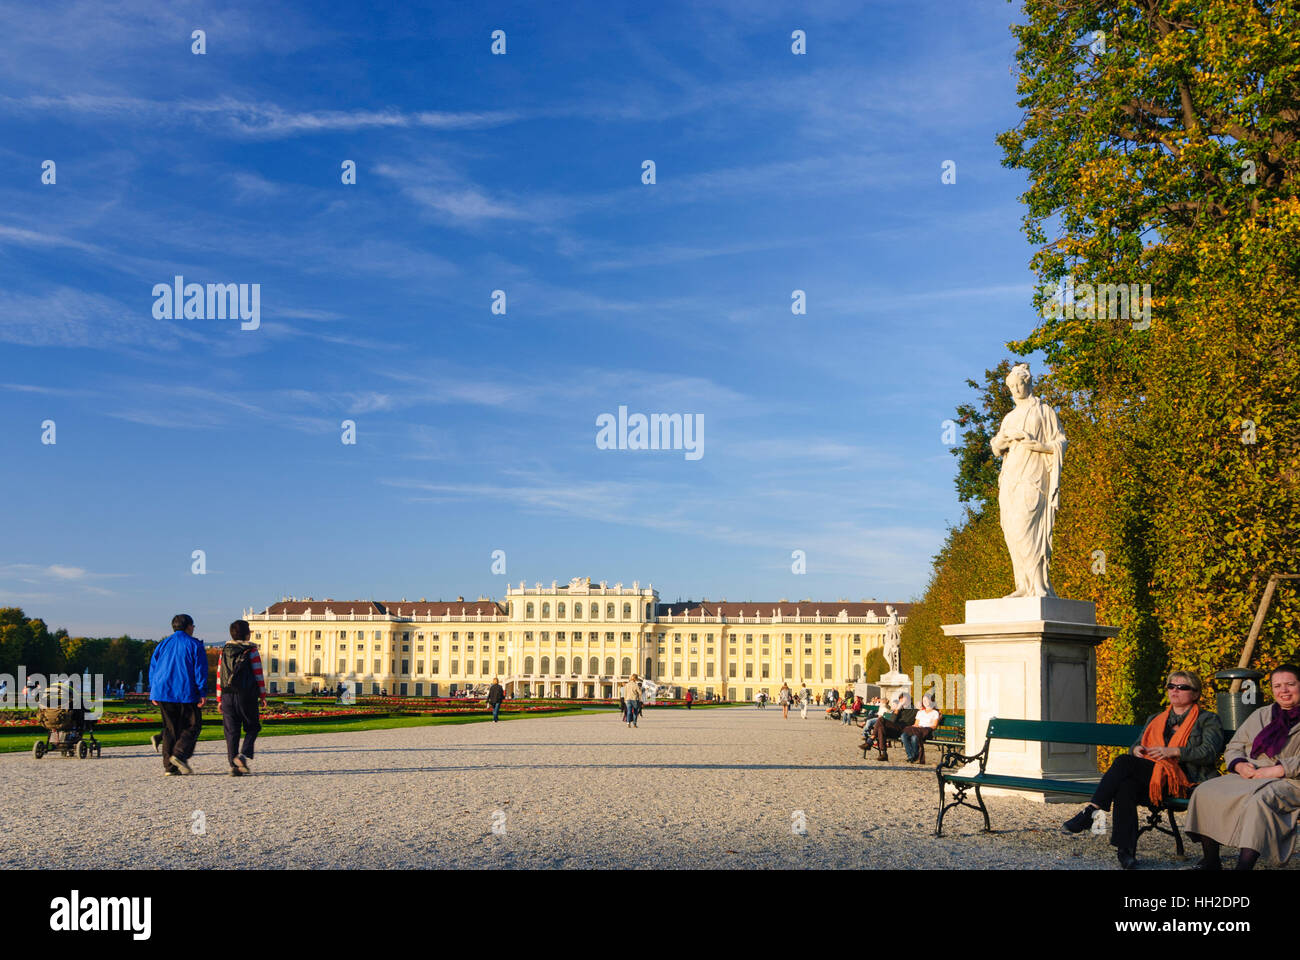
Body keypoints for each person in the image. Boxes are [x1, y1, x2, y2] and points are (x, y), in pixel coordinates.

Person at [1061, 670, 1223, 870]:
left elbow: (1209, 752)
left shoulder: (1208, 719)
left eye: (1182, 687)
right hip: (1155, 780)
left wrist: (1174, 751)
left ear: (1196, 693)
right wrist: (1137, 750)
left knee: (1123, 767)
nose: (1175, 691)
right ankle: (1126, 854)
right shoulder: (1156, 719)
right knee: (1126, 785)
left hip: (1186, 781)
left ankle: (1093, 810)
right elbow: (1137, 745)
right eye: (1171, 686)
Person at [1186, 664, 1300, 870]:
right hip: (1252, 773)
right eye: (1277, 686)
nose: (1283, 690)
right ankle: (1211, 860)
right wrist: (1239, 765)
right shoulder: (1261, 714)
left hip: (1291, 780)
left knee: (1259, 801)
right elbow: (1235, 746)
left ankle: (1244, 866)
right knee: (1206, 790)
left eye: (1290, 684)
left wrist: (1278, 770)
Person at [149, 614, 208, 776]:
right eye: (193, 626)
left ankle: (170, 767)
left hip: (162, 691)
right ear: (189, 626)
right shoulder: (195, 645)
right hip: (184, 690)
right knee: (193, 725)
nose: (194, 628)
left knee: (170, 729)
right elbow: (199, 671)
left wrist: (153, 690)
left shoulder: (162, 644)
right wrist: (202, 691)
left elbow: (153, 668)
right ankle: (179, 755)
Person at [216, 619, 266, 776]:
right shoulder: (251, 651)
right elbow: (258, 674)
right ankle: (242, 756)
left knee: (231, 732)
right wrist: (263, 695)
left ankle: (234, 766)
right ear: (247, 634)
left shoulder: (224, 650)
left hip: (226, 695)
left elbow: (219, 675)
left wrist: (219, 699)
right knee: (253, 726)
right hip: (246, 695)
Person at [872, 693, 917, 761]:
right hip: (895, 730)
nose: (903, 703)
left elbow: (910, 722)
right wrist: (897, 711)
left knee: (881, 720)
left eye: (904, 701)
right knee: (881, 728)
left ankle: (871, 739)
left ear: (909, 701)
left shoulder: (914, 710)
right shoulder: (899, 710)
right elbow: (892, 720)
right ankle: (884, 753)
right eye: (901, 702)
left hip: (904, 731)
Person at [901, 694, 941, 763]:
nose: (924, 702)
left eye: (926, 700)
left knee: (914, 738)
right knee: (903, 735)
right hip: (917, 730)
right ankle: (911, 756)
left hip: (926, 731)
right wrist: (915, 726)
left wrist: (925, 728)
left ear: (931, 701)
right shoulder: (920, 712)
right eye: (923, 700)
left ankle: (914, 756)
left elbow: (934, 726)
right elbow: (916, 724)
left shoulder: (935, 713)